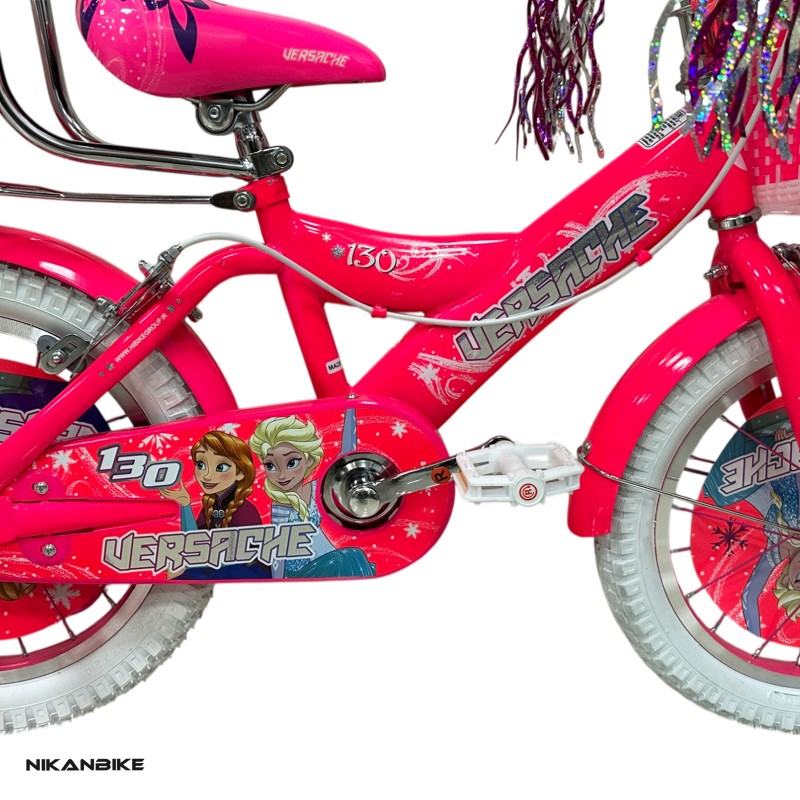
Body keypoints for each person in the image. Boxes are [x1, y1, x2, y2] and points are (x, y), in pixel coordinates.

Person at [249, 415, 374, 578]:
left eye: (291, 463)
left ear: (308, 460)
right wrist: (278, 582)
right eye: (270, 466)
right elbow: (279, 550)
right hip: (300, 572)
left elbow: (345, 456)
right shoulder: (281, 504)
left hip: (325, 561)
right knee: (349, 557)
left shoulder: (315, 488)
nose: (281, 475)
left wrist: (350, 412)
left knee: (354, 558)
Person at [161, 429, 271, 580]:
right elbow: (194, 542)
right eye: (200, 465)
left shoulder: (246, 510)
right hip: (215, 567)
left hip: (243, 571)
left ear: (240, 472)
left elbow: (243, 555)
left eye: (220, 467)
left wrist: (187, 567)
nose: (206, 475)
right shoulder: (210, 505)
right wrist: (185, 505)